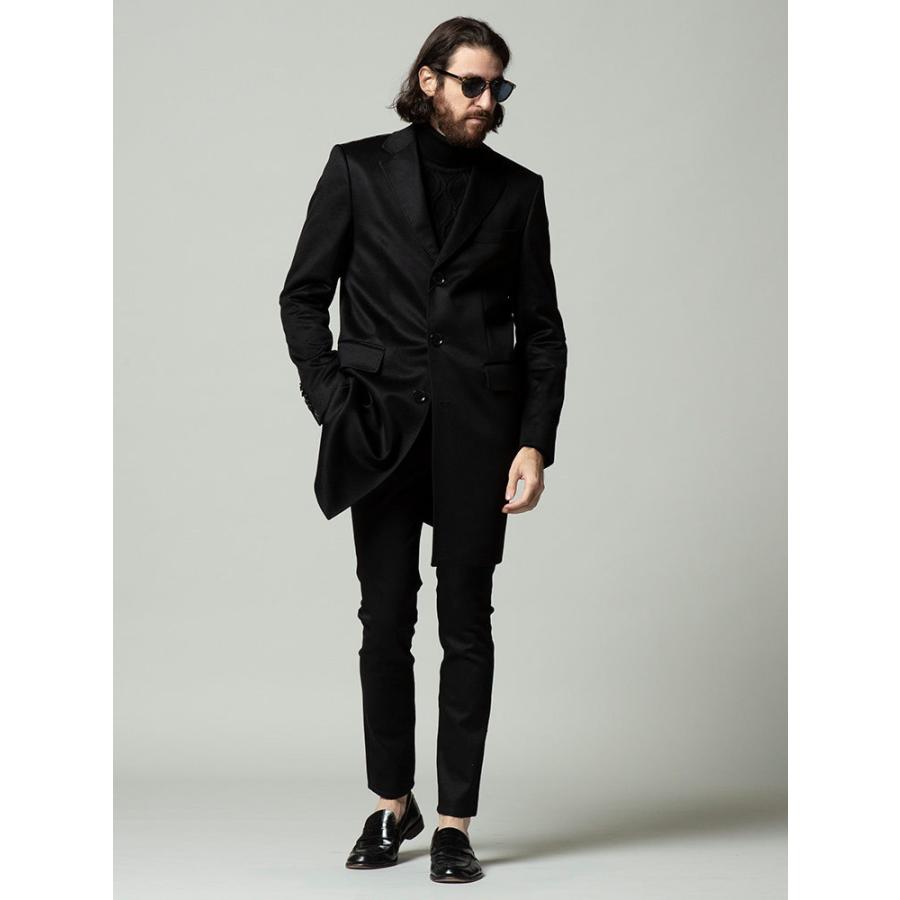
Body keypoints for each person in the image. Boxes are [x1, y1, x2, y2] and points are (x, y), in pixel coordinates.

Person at [278, 16, 567, 884]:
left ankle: (453, 822)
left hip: (481, 435)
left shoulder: (517, 191)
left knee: (467, 625)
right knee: (384, 621)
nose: (488, 101)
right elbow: (302, 296)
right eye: (473, 84)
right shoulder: (358, 169)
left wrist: (535, 443)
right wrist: (332, 400)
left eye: (498, 87)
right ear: (429, 79)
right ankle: (391, 802)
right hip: (379, 429)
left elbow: (542, 331)